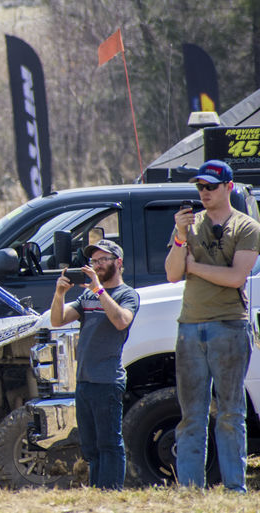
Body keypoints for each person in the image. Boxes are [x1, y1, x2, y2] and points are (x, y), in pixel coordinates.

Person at [165, 159, 260, 493]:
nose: (203, 192)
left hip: (229, 326)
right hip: (190, 326)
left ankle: (235, 488)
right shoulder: (189, 225)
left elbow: (236, 276)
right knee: (191, 414)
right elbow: (173, 273)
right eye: (199, 187)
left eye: (210, 186)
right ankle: (191, 489)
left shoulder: (246, 226)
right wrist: (180, 237)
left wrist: (195, 266)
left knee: (231, 413)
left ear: (228, 187)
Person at [49, 240, 139, 490]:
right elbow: (57, 320)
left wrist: (100, 290)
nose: (96, 265)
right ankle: (98, 492)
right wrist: (59, 294)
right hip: (85, 380)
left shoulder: (127, 294)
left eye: (103, 260)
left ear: (118, 263)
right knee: (90, 446)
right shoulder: (88, 296)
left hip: (107, 380)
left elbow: (122, 321)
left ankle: (110, 492)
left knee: (109, 443)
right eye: (94, 261)